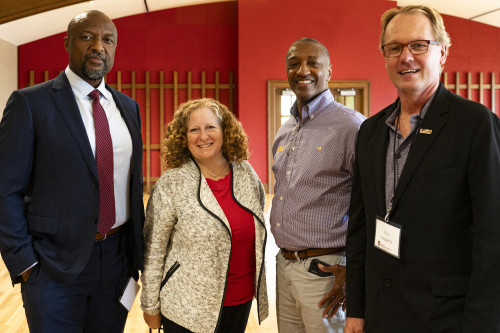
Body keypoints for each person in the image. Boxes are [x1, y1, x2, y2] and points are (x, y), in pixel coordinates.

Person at [345, 5, 500, 333]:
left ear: (443, 52)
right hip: (381, 314)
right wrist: (357, 310)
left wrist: (482, 324)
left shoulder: (476, 125)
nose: (406, 57)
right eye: (394, 48)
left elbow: (493, 238)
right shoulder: (370, 132)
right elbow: (360, 230)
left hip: (447, 318)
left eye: (419, 45)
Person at [0, 10, 144, 333]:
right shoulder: (30, 104)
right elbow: (4, 188)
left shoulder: (128, 107)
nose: (98, 46)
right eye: (87, 36)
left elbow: (134, 185)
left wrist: (135, 260)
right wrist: (25, 263)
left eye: (107, 39)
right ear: (67, 42)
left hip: (117, 261)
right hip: (52, 267)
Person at [140, 98, 269, 333]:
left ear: (224, 131)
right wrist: (150, 306)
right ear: (183, 137)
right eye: (194, 130)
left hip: (240, 301)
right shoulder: (171, 184)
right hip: (186, 309)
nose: (203, 136)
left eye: (211, 127)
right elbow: (153, 252)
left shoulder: (246, 173)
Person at [271, 37, 365, 332]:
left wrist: (355, 269)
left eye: (313, 63)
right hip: (285, 266)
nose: (303, 70)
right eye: (294, 63)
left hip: (327, 270)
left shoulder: (351, 126)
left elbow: (371, 202)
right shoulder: (285, 130)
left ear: (329, 71)